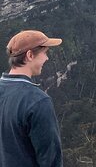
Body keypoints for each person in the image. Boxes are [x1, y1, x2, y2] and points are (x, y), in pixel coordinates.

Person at [1, 30, 64, 167]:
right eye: (44, 53)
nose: (46, 58)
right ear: (30, 55)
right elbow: (51, 159)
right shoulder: (37, 101)